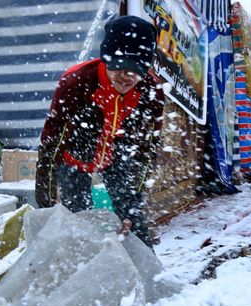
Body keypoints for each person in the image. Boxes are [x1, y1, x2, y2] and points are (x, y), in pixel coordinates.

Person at [35, 15, 165, 246]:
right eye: (119, 66)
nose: (127, 77)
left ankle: (147, 278)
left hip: (117, 153)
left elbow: (147, 150)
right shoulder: (76, 83)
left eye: (136, 69)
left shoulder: (150, 91)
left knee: (134, 223)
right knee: (80, 225)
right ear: (106, 59)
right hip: (75, 155)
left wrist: (132, 201)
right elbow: (51, 146)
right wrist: (46, 203)